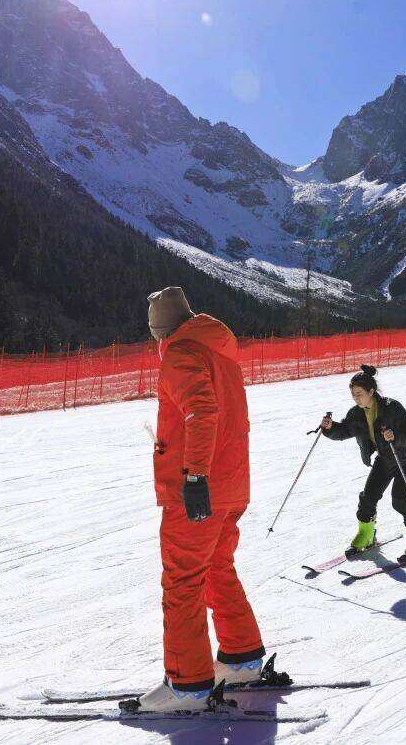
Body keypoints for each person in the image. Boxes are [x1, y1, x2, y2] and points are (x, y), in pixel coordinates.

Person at [132, 286, 272, 713]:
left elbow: (202, 412)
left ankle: (187, 684)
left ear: (161, 331)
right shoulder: (220, 352)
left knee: (182, 581)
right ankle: (241, 658)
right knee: (216, 568)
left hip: (199, 491)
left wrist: (193, 475)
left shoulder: (179, 354)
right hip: (231, 486)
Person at [321, 365, 406, 560]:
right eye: (353, 394)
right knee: (368, 497)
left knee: (400, 498)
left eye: (360, 394)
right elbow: (345, 431)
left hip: (405, 458)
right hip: (385, 458)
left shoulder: (392, 407)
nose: (356, 398)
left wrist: (395, 437)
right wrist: (331, 428)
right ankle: (366, 534)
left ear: (371, 391)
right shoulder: (356, 413)